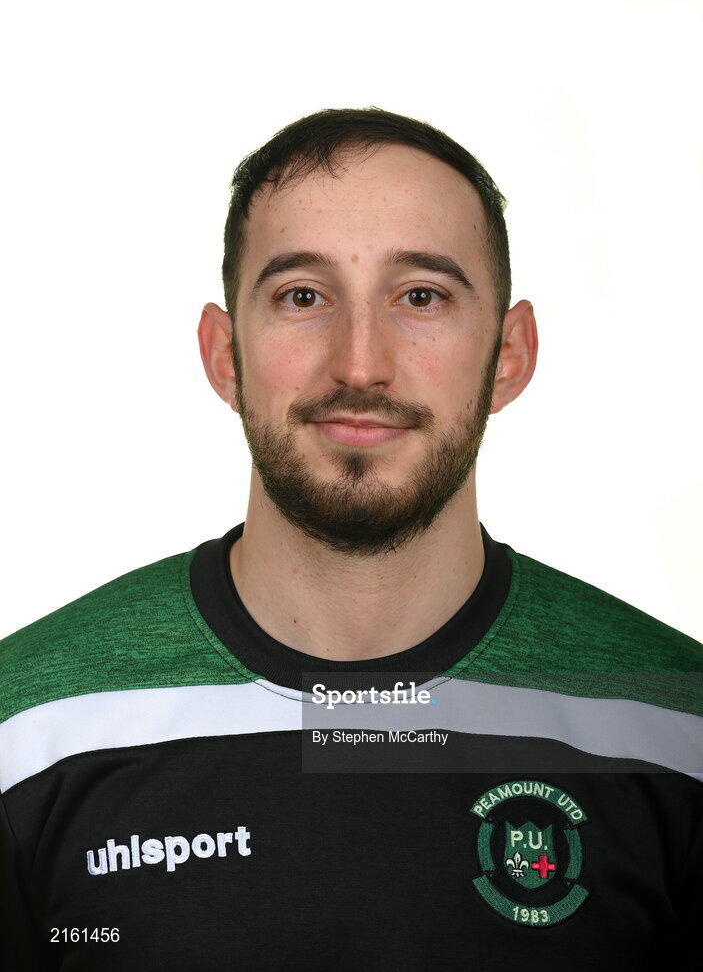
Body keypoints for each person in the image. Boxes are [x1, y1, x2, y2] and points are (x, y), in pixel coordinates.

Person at [1, 106, 701, 971]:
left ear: (509, 354)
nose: (360, 365)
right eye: (303, 296)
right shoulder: (29, 729)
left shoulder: (676, 725)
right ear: (225, 355)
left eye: (421, 296)